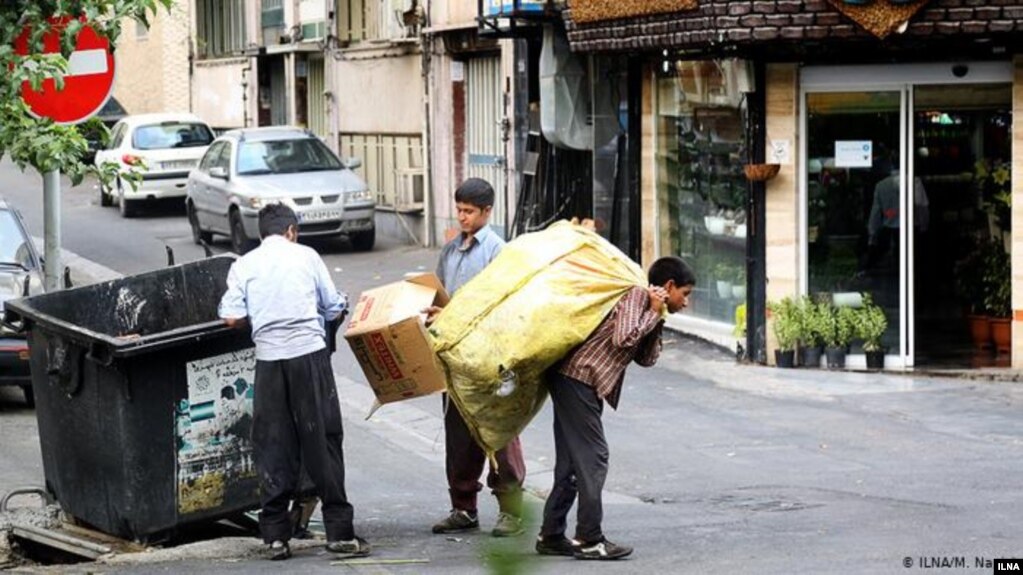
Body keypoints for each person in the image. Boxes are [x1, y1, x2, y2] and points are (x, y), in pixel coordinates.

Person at [218, 203, 370, 561]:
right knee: (324, 441)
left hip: (269, 363)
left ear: (262, 234)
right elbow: (332, 306)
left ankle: (274, 537)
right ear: (291, 231)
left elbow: (230, 317)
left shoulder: (244, 264)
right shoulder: (306, 256)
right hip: (309, 360)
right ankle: (340, 533)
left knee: (273, 445)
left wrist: (260, 316)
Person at [535, 256, 695, 560]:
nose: (685, 303)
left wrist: (656, 315)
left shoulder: (649, 305)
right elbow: (623, 339)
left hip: (579, 381)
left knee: (571, 461)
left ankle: (551, 534)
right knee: (594, 457)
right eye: (684, 294)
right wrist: (651, 311)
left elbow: (645, 359)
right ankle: (589, 538)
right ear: (670, 285)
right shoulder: (636, 294)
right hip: (578, 377)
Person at [425, 178, 527, 538]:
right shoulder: (451, 251)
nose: (462, 217)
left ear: (487, 211)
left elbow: (500, 306)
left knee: (498, 432)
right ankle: (463, 507)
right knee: (458, 435)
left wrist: (452, 315)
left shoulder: (499, 252)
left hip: (491, 357)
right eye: (459, 210)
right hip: (454, 358)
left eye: (469, 211)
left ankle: (511, 510)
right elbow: (441, 297)